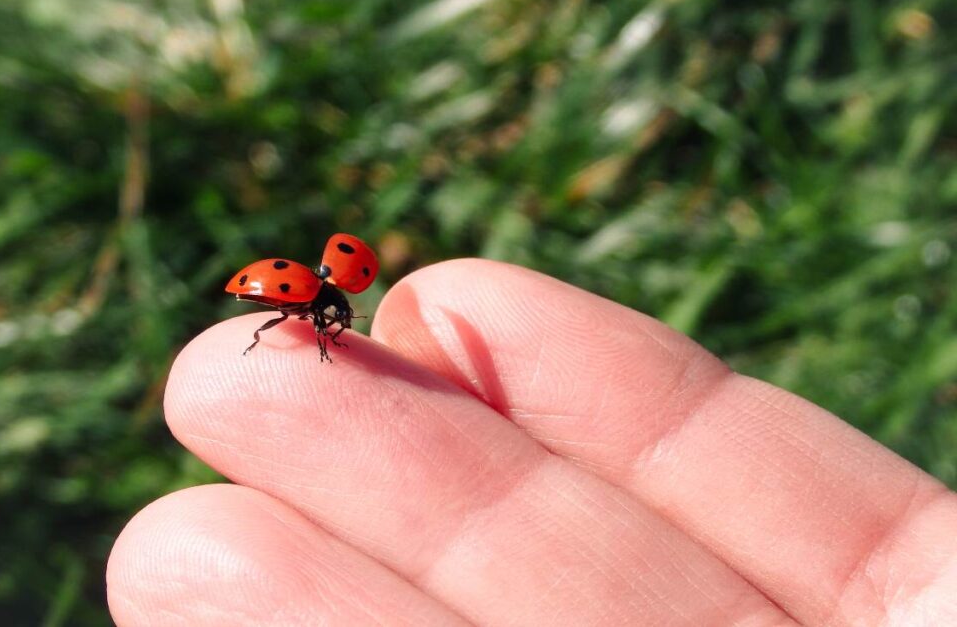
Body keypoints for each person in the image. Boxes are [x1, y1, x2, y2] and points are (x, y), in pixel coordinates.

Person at [107, 259, 957, 625]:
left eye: (322, 317)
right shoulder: (307, 301)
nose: (330, 322)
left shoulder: (310, 300)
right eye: (324, 319)